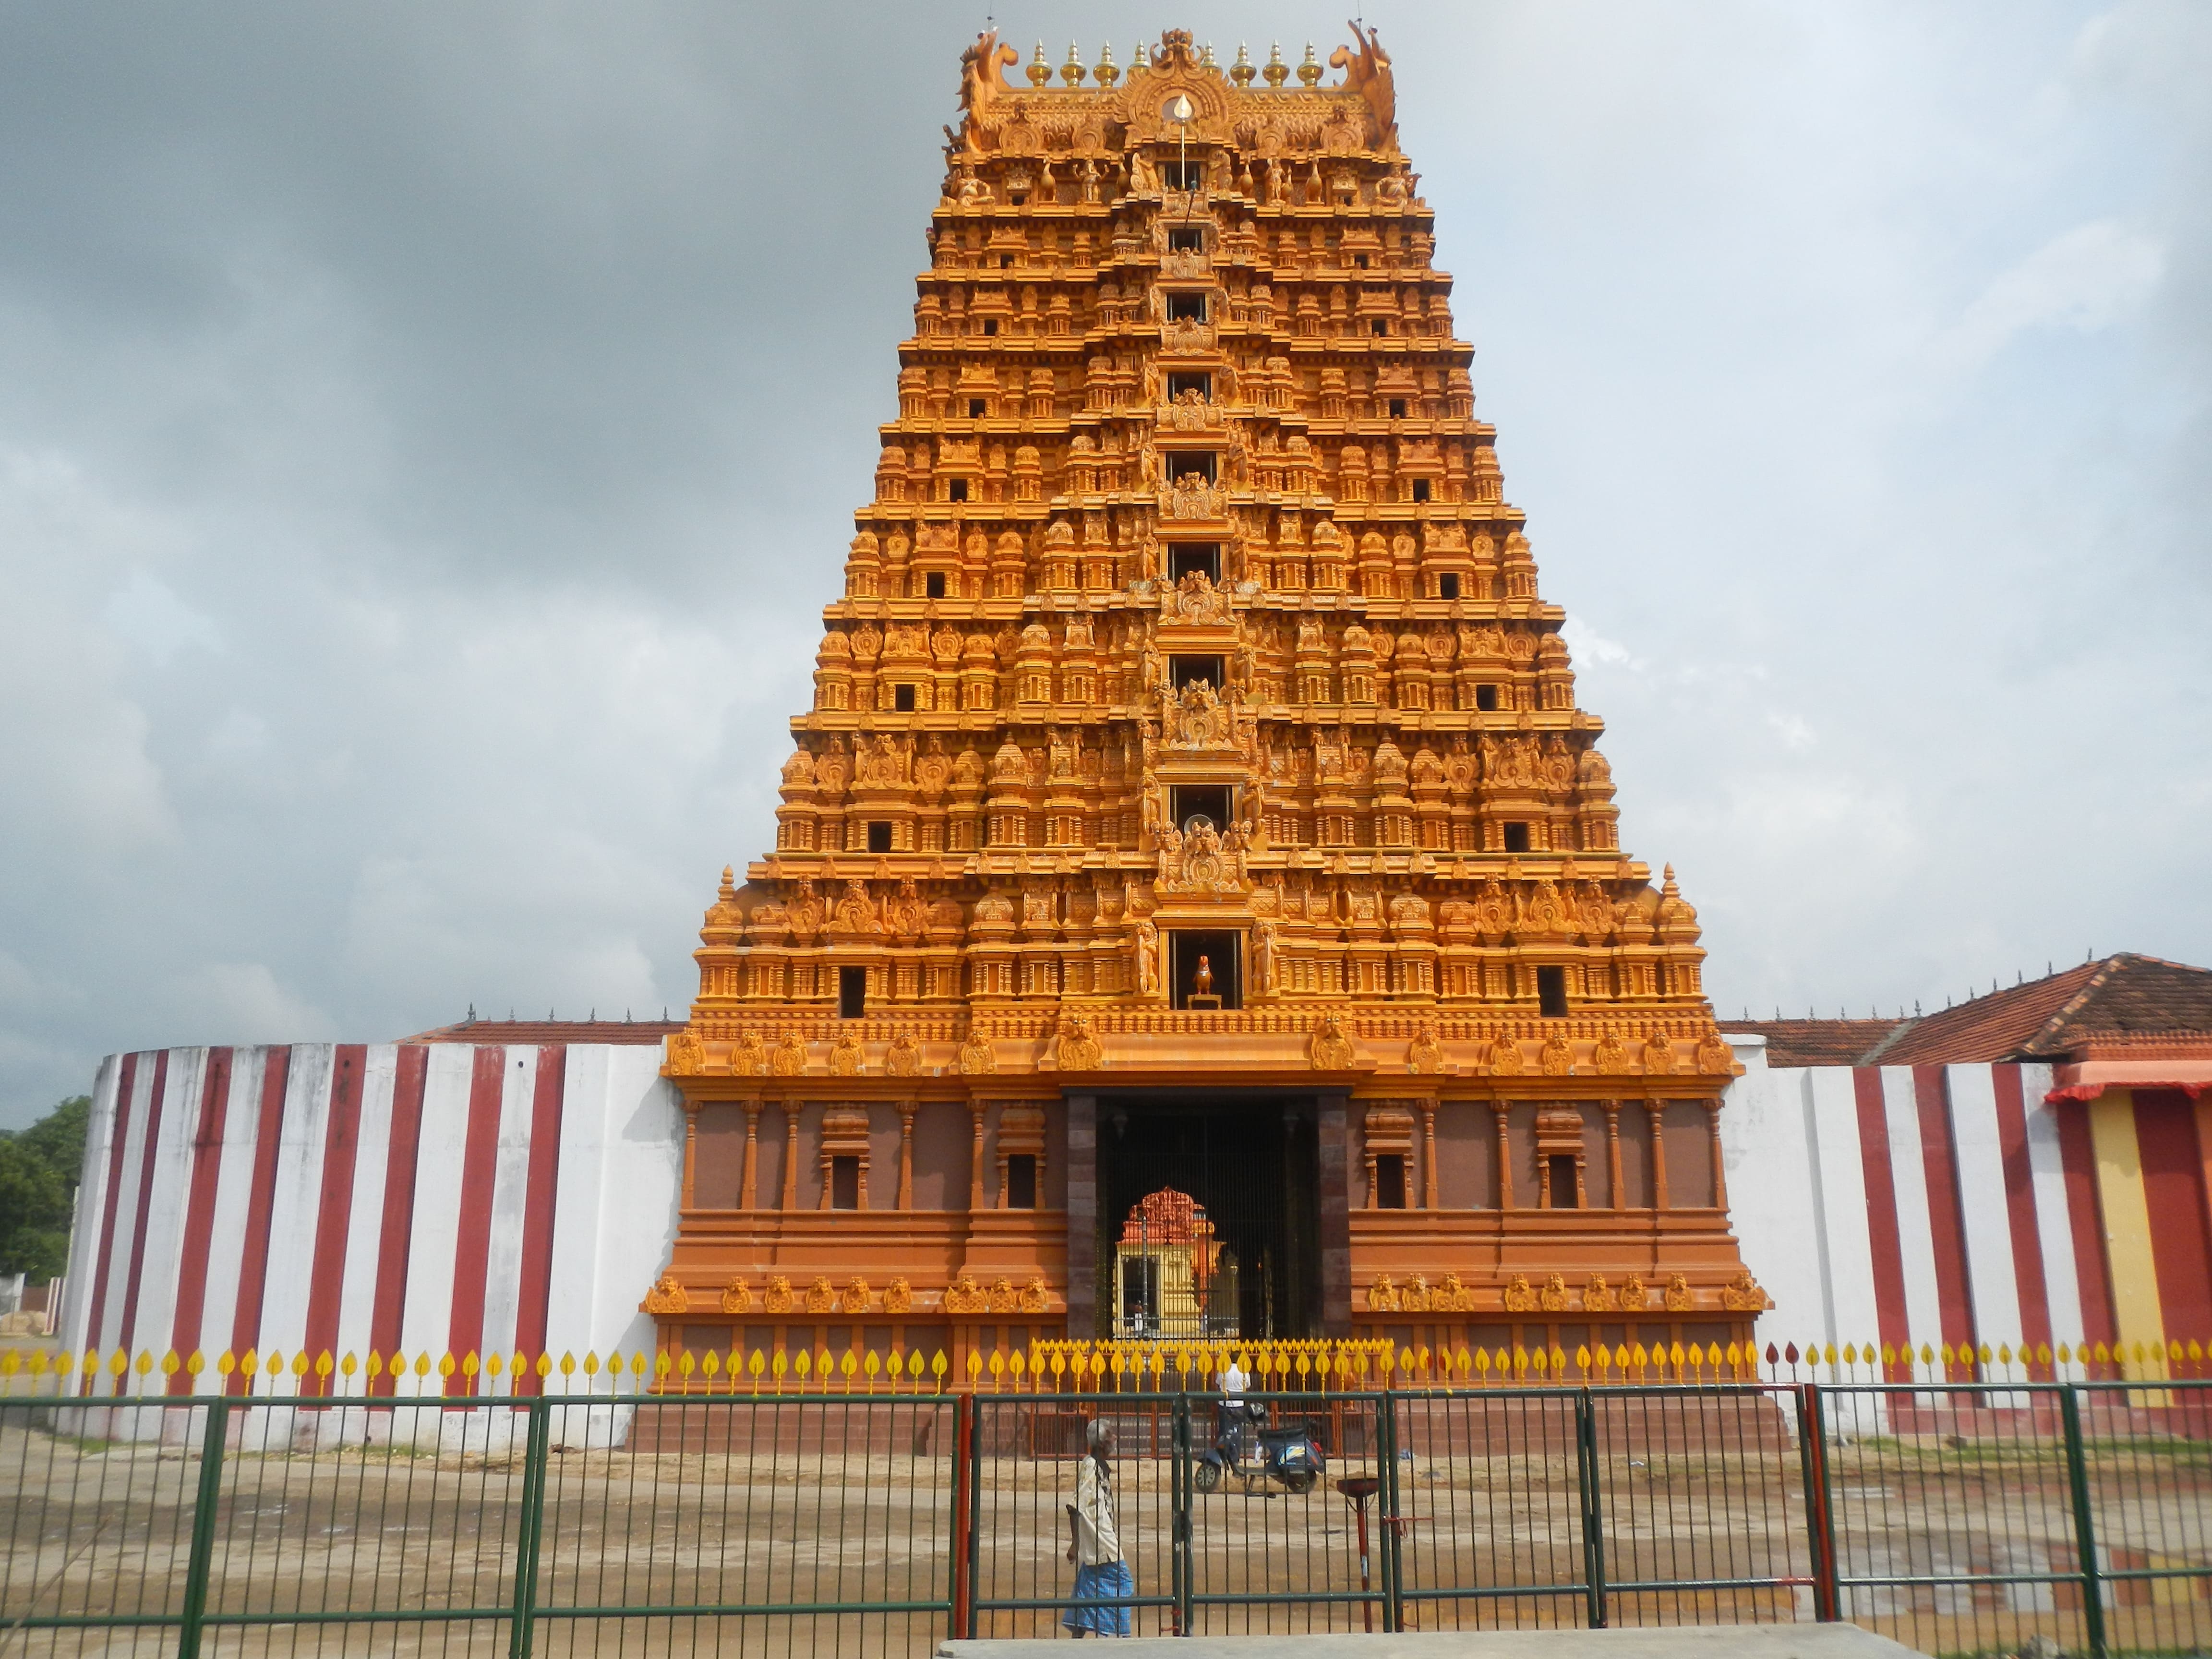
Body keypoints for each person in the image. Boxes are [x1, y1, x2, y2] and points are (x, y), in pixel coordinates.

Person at [1064, 1419, 1131, 1637]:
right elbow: (1075, 1505)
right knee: (1122, 1583)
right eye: (1111, 1435)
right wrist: (1076, 1543)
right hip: (1102, 1540)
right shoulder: (1091, 1466)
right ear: (1103, 1443)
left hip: (1098, 1539)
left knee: (1089, 1589)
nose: (1115, 1439)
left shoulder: (1098, 1465)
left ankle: (1077, 1639)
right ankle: (1114, 1639)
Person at [1216, 1354, 1250, 1467]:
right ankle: (1235, 1459)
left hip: (1225, 1403)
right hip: (1239, 1404)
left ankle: (1223, 1457)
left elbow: (1218, 1382)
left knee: (1224, 1431)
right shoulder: (1244, 1369)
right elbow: (1248, 1385)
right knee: (1237, 1432)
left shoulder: (1224, 1369)